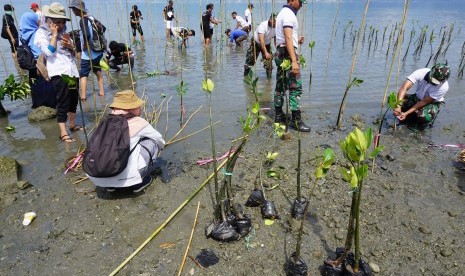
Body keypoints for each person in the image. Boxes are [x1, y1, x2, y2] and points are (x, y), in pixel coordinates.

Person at [87, 91, 165, 193]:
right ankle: (138, 184)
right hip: (129, 178)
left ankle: (111, 186)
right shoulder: (139, 122)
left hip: (97, 176)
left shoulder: (104, 122)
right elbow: (159, 140)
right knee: (152, 142)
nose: (140, 108)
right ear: (132, 109)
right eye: (138, 106)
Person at [34, 2, 81, 143]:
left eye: (62, 22)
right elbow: (48, 51)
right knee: (63, 102)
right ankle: (63, 132)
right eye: (57, 22)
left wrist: (71, 46)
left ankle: (72, 125)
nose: (60, 25)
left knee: (73, 99)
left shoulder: (65, 34)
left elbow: (74, 56)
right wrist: (54, 35)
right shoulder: (41, 33)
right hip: (59, 73)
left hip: (71, 72)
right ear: (49, 20)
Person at [274, 0, 310, 132]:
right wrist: (294, 60)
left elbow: (279, 39)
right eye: (300, 1)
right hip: (287, 55)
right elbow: (288, 38)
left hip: (280, 52)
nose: (301, 4)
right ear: (292, 0)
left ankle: (279, 116)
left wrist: (296, 42)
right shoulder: (289, 14)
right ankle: (296, 120)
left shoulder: (281, 13)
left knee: (280, 86)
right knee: (295, 87)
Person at [393, 63, 450, 130]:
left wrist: (406, 113)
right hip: (417, 97)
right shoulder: (421, 72)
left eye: (437, 81)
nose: (433, 82)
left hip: (430, 103)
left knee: (424, 116)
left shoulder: (444, 87)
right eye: (433, 79)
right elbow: (404, 88)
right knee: (394, 99)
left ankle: (419, 124)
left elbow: (424, 101)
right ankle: (407, 116)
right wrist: (398, 106)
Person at [69, 0, 105, 101]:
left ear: (78, 9)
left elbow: (87, 34)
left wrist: (84, 45)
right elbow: (104, 29)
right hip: (98, 51)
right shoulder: (91, 18)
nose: (73, 11)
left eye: (73, 9)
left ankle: (83, 96)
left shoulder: (83, 20)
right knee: (97, 70)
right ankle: (102, 91)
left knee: (83, 74)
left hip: (89, 54)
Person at [20, 11, 56, 109]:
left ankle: (37, 105)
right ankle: (50, 106)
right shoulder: (36, 33)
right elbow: (41, 51)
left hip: (31, 66)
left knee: (35, 86)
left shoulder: (22, 35)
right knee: (46, 85)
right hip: (40, 65)